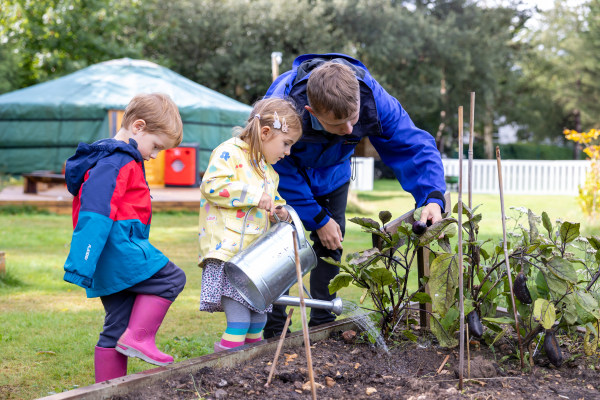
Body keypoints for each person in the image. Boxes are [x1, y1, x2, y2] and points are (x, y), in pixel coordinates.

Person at [263, 53, 447, 338]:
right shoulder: (283, 106)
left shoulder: (373, 98)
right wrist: (318, 218)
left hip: (334, 176)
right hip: (284, 179)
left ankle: (321, 325)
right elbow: (278, 167)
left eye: (353, 119)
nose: (349, 131)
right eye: (337, 125)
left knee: (332, 245)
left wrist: (432, 196)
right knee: (282, 249)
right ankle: (274, 333)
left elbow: (413, 145)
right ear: (311, 112)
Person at [62, 93, 187, 383]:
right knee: (171, 278)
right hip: (117, 249)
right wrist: (82, 259)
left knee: (116, 325)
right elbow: (96, 211)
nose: (155, 155)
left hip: (112, 251)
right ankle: (140, 339)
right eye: (156, 146)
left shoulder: (114, 159)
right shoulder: (116, 161)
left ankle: (108, 390)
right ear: (138, 127)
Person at [198, 97, 302, 352]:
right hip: (229, 257)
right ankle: (223, 367)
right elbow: (212, 186)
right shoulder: (229, 152)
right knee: (240, 320)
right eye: (286, 144)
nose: (287, 152)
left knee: (258, 320)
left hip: (254, 261)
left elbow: (272, 201)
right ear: (265, 133)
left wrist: (279, 211)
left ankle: (250, 368)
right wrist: (254, 197)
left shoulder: (269, 171)